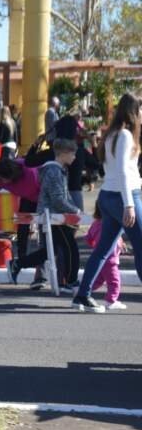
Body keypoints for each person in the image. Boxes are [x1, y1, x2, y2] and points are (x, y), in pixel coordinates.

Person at [73, 94, 142, 313]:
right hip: (124, 197)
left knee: (103, 249)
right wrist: (129, 204)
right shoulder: (125, 135)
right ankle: (82, 296)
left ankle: (82, 295)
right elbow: (122, 170)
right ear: (134, 111)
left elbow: (111, 169)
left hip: (109, 197)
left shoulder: (112, 134)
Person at [7, 138, 82, 292]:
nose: (74, 157)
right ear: (64, 153)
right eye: (73, 154)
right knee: (70, 248)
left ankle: (17, 264)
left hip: (53, 215)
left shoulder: (56, 170)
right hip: (56, 217)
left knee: (50, 251)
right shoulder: (54, 171)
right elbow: (58, 199)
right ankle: (70, 281)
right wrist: (76, 211)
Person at [85, 205, 126, 310]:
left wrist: (94, 245)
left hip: (100, 259)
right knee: (114, 282)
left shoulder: (96, 223)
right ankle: (111, 301)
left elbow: (88, 238)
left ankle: (82, 291)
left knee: (97, 280)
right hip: (110, 260)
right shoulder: (111, 224)